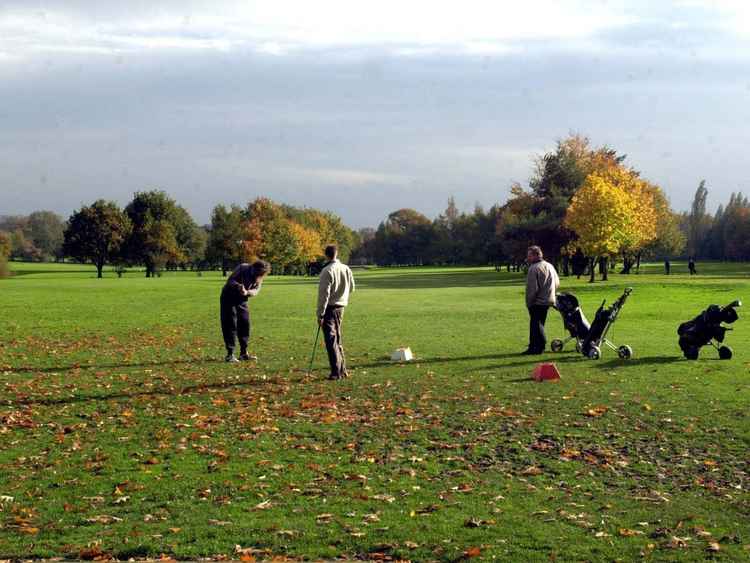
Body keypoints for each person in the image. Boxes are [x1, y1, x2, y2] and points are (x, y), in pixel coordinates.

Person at [317, 245, 355, 380]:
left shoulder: (326, 271)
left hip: (330, 308)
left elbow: (324, 295)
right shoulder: (346, 268)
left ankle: (336, 372)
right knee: (337, 338)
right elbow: (352, 288)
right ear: (337, 253)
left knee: (331, 340)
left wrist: (320, 314)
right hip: (341, 307)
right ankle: (342, 369)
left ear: (326, 255)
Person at [220, 260, 270, 362]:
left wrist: (247, 292)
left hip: (242, 300)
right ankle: (230, 354)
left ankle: (244, 353)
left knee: (244, 323)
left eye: (261, 274)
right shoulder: (243, 268)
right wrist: (238, 286)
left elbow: (256, 291)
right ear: (253, 267)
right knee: (230, 324)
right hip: (228, 297)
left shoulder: (260, 276)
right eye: (256, 272)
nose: (257, 275)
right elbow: (230, 281)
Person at [523, 245, 559, 355]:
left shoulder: (534, 268)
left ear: (536, 255)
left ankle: (538, 347)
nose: (527, 258)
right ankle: (535, 346)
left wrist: (529, 302)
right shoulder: (549, 266)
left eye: (529, 255)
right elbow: (557, 283)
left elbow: (532, 289)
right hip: (549, 300)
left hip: (537, 301)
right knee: (539, 323)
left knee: (536, 324)